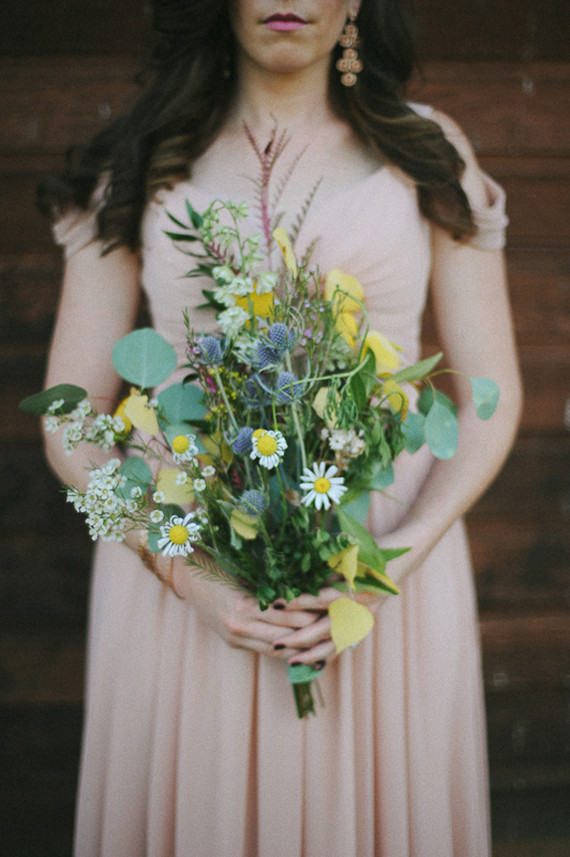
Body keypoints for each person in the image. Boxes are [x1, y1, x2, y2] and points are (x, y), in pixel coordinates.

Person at [40, 1, 522, 855]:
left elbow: (493, 396)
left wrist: (395, 561)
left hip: (383, 567)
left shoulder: (424, 152)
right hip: (186, 566)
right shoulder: (144, 159)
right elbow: (70, 421)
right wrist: (183, 571)